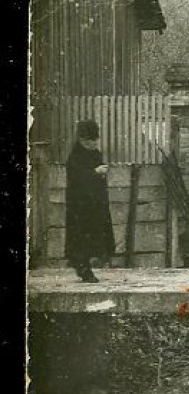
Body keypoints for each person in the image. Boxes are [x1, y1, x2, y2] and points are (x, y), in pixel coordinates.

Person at [65, 119, 114, 283]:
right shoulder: (75, 158)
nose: (93, 144)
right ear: (81, 141)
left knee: (94, 236)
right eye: (88, 142)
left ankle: (86, 266)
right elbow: (77, 178)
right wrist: (95, 172)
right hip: (79, 206)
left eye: (94, 141)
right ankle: (83, 268)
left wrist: (102, 172)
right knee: (80, 238)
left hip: (95, 204)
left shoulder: (96, 154)